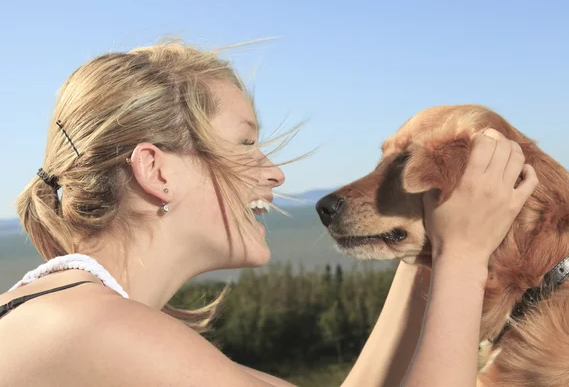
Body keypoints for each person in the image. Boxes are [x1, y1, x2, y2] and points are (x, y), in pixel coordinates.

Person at [0, 40, 537, 387]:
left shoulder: (61, 313)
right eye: (245, 143)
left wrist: (421, 240)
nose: (274, 172)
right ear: (157, 172)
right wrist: (463, 258)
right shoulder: (102, 333)